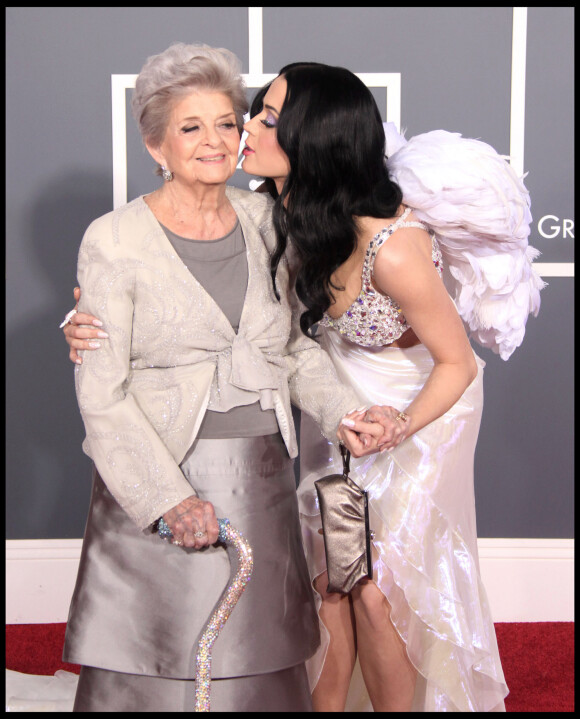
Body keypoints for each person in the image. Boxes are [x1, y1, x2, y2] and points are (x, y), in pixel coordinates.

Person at [64, 60, 540, 712]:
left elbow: (437, 362)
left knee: (380, 584)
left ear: (312, 138)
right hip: (336, 393)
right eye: (252, 112)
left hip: (419, 402)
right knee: (331, 578)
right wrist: (89, 317)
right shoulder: (268, 208)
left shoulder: (372, 242)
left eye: (258, 118)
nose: (241, 132)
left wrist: (385, 420)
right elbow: (177, 295)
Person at [59, 44, 386, 713]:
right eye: (190, 127)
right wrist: (167, 498)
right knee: (156, 647)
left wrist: (346, 412)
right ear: (155, 144)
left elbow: (293, 349)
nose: (215, 141)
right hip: (160, 465)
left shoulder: (268, 221)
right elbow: (103, 393)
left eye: (227, 124)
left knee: (256, 647)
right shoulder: (113, 239)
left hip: (261, 468)